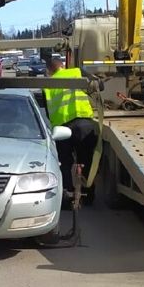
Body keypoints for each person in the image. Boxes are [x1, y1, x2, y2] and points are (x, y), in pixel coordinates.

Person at [43, 56, 98, 197]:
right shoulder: (77, 72)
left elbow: (48, 112)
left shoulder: (47, 85)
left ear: (49, 70)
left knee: (65, 162)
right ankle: (88, 192)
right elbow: (99, 85)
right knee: (86, 158)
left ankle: (68, 192)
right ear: (63, 66)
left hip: (62, 128)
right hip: (84, 123)